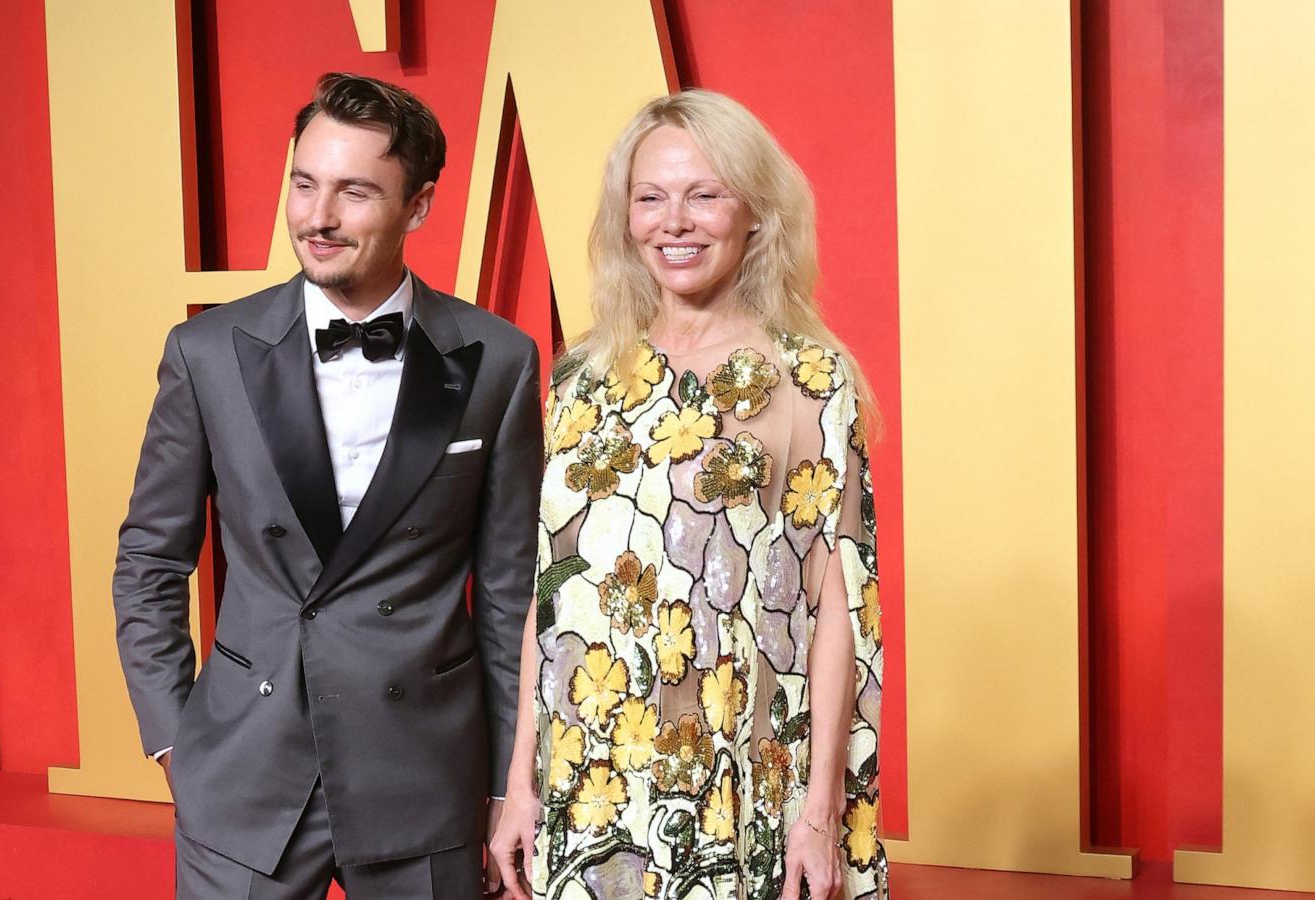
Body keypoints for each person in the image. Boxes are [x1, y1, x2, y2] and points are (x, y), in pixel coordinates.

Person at [112, 72, 541, 899]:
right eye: (304, 184)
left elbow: (510, 596)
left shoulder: (499, 361)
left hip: (422, 772)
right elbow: (150, 561)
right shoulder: (207, 352)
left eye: (354, 192)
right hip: (244, 768)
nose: (317, 217)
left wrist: (505, 781)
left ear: (417, 207)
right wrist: (174, 738)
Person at [489, 90, 889, 900]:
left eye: (704, 194)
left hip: (734, 790)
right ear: (626, 217)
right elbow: (549, 592)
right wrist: (520, 784)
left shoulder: (808, 380)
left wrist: (817, 813)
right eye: (651, 197)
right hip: (586, 782)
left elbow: (838, 608)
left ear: (755, 212)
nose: (675, 221)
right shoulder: (582, 378)